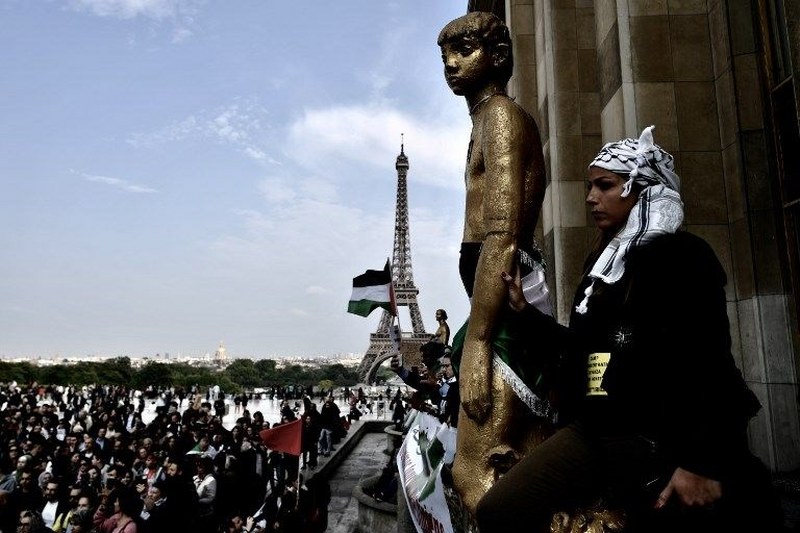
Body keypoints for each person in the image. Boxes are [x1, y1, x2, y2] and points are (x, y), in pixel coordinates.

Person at [475, 126, 783, 532]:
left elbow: (707, 364)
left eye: (605, 186)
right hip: (595, 428)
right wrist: (525, 312)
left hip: (655, 438)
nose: (590, 198)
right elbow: (584, 347)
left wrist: (696, 463)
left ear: (644, 189)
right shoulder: (600, 263)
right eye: (590, 186)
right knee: (497, 509)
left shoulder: (683, 257)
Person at [438, 11, 550, 512]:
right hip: (494, 302)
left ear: (498, 56)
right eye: (445, 56)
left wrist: (478, 342)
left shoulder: (500, 116)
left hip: (498, 308)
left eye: (463, 52)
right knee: (517, 458)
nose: (451, 65)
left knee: (474, 472)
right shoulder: (487, 118)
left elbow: (500, 232)